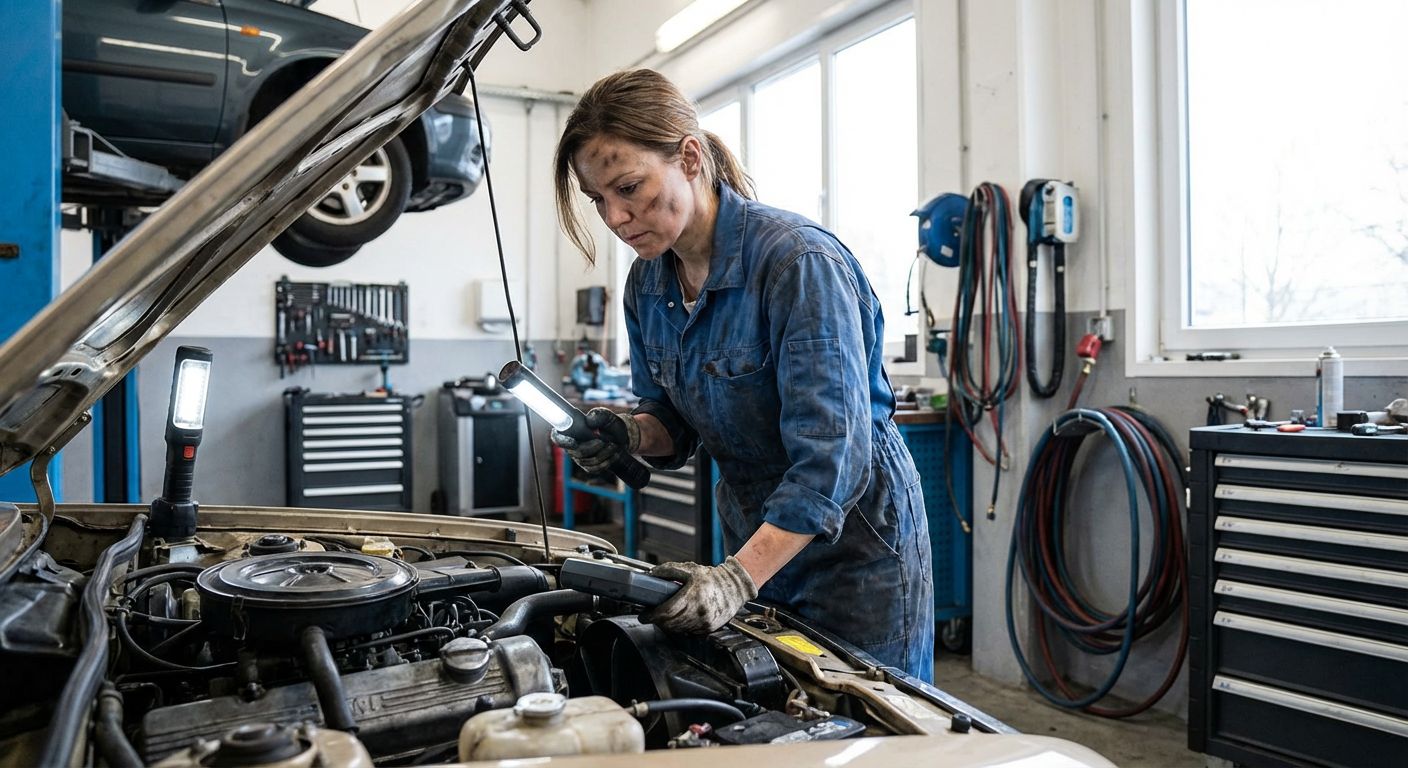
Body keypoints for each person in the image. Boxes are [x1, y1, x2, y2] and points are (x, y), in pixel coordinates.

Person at [550, 69, 934, 682]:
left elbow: (831, 458)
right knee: (775, 713)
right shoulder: (647, 284)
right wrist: (626, 433)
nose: (616, 217)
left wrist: (738, 577)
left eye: (628, 188)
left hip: (855, 552)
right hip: (755, 535)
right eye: (599, 200)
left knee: (869, 725)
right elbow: (671, 424)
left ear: (691, 158)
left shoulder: (797, 263)